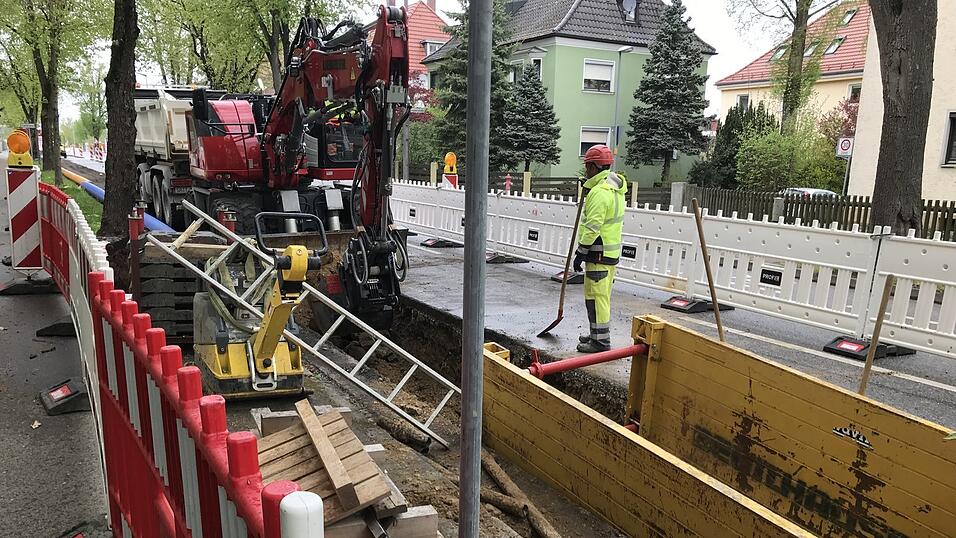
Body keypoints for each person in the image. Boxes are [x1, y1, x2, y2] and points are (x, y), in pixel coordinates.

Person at [573, 144, 627, 353]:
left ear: (594, 167)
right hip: (609, 254)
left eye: (587, 166)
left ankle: (600, 342)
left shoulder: (599, 192)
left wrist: (581, 251)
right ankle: (596, 334)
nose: (585, 170)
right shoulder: (614, 189)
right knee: (601, 297)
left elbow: (593, 226)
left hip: (598, 253)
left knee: (596, 299)